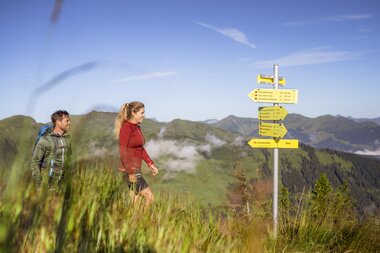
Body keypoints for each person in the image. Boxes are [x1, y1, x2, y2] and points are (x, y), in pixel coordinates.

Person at [114, 101, 159, 206]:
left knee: (135, 202)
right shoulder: (126, 128)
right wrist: (130, 172)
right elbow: (122, 151)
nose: (144, 115)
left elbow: (140, 148)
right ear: (133, 113)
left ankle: (134, 221)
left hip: (135, 168)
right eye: (142, 113)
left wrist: (150, 164)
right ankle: (144, 221)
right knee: (149, 197)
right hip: (129, 169)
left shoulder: (137, 127)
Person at [31, 110, 71, 191]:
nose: (69, 123)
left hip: (62, 188)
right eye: (67, 121)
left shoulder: (67, 140)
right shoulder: (44, 140)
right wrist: (39, 186)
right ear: (58, 122)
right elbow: (35, 163)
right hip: (47, 188)